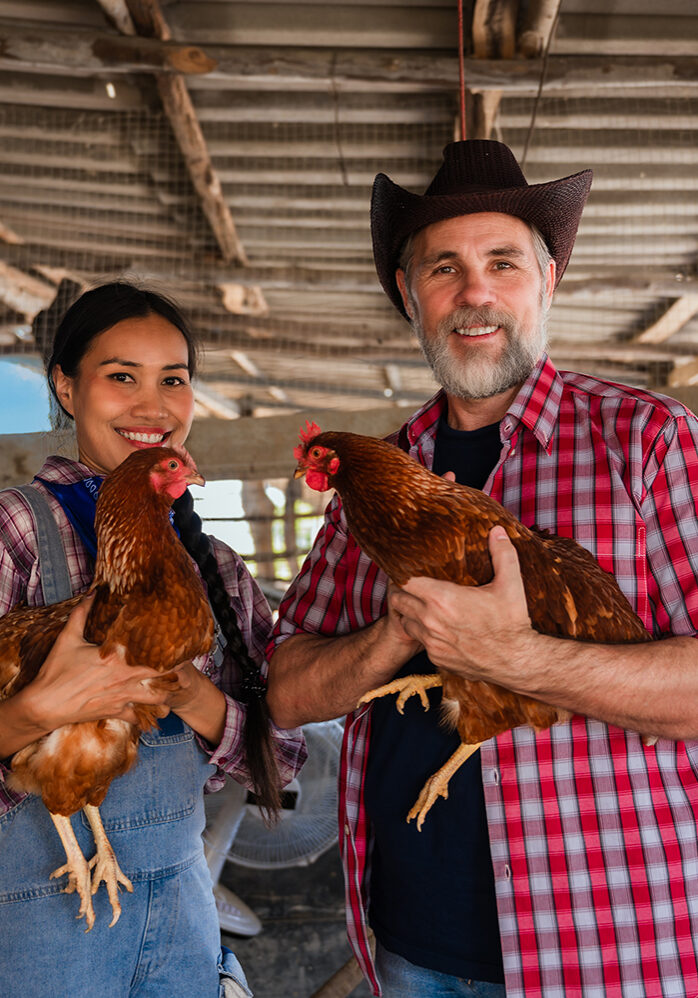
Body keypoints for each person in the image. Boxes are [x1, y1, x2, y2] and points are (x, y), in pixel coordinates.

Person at [266, 140, 698, 998]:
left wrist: (514, 658)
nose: (474, 293)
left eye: (503, 262)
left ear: (547, 280)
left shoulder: (650, 443)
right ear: (408, 295)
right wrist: (396, 632)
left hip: (609, 941)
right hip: (411, 944)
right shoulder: (371, 482)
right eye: (442, 269)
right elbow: (284, 692)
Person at [0, 282, 306, 998]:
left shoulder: (217, 568)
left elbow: (283, 757)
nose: (152, 405)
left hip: (178, 913)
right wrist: (35, 715)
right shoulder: (15, 533)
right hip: (36, 917)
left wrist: (196, 697)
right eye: (121, 377)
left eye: (174, 379)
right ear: (66, 389)